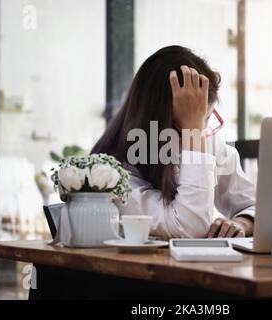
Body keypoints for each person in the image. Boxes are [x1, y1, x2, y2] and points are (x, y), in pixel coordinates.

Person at [92, 45, 255, 239]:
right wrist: (192, 131)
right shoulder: (110, 172)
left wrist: (241, 222)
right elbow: (188, 227)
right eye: (186, 127)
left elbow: (256, 206)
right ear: (152, 125)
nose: (201, 133)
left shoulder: (206, 137)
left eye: (207, 118)